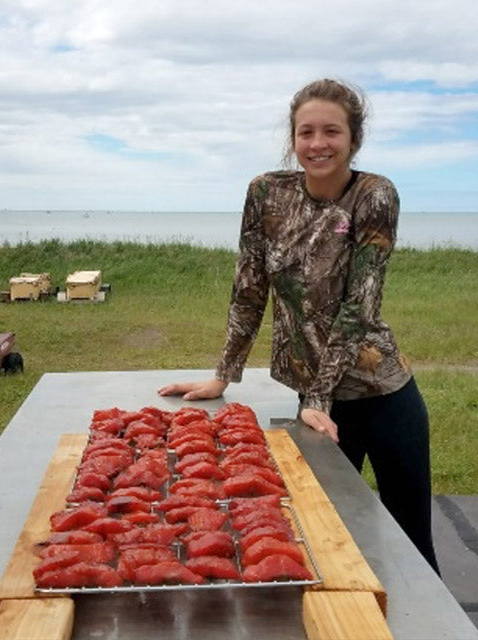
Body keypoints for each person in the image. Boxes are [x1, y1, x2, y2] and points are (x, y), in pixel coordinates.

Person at [158, 78, 439, 573]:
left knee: (411, 544)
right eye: (306, 132)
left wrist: (317, 396)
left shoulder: (374, 195)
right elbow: (249, 286)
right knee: (322, 538)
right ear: (292, 139)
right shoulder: (266, 193)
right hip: (318, 408)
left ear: (354, 138)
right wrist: (224, 374)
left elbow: (359, 309)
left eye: (332, 131)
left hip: (382, 398)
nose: (318, 143)